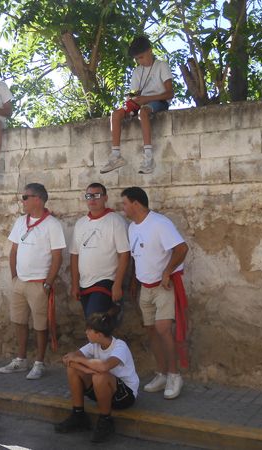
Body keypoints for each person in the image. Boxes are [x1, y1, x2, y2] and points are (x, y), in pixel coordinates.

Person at [121, 187, 189, 400]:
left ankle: (174, 375)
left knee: (163, 329)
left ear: (136, 204)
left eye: (125, 203)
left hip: (163, 286)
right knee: (151, 331)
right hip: (145, 286)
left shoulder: (160, 223)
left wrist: (167, 272)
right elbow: (137, 256)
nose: (123, 208)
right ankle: (161, 374)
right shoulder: (132, 227)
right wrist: (134, 282)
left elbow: (182, 249)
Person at [0, 183, 66, 380]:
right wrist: (14, 277)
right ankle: (21, 360)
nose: (22, 201)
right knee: (19, 321)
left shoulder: (52, 224)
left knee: (40, 325)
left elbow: (57, 257)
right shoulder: (21, 221)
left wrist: (48, 283)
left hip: (39, 284)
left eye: (25, 197)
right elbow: (13, 251)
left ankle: (39, 363)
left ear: (37, 199)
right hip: (20, 282)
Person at [55, 306, 139, 443]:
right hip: (103, 390)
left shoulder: (120, 346)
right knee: (73, 369)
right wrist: (86, 369)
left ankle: (106, 420)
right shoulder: (93, 345)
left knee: (100, 376)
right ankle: (78, 415)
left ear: (99, 334)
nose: (86, 332)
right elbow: (67, 359)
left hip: (124, 396)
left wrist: (81, 361)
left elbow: (104, 366)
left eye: (89, 330)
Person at [101, 35, 174, 175]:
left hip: (159, 101)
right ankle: (116, 156)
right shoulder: (137, 71)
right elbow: (134, 93)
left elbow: (170, 93)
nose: (140, 61)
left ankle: (148, 158)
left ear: (150, 51)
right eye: (137, 59)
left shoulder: (161, 66)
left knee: (143, 112)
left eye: (141, 57)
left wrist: (147, 98)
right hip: (141, 101)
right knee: (115, 114)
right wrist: (132, 99)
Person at [70, 183, 130, 319]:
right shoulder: (80, 223)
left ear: (105, 198)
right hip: (84, 283)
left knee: (95, 323)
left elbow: (124, 254)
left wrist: (117, 285)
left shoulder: (116, 221)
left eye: (96, 195)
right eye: (89, 196)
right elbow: (74, 255)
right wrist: (75, 284)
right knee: (93, 323)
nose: (92, 199)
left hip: (106, 282)